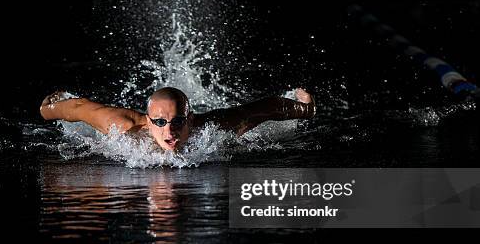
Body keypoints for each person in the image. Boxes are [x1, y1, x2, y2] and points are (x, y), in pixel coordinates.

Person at [39, 87, 316, 151]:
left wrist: (305, 109)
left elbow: (263, 108)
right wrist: (47, 109)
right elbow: (77, 108)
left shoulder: (213, 128)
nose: (169, 130)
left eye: (178, 122)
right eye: (159, 122)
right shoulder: (123, 127)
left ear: (190, 120)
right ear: (148, 121)